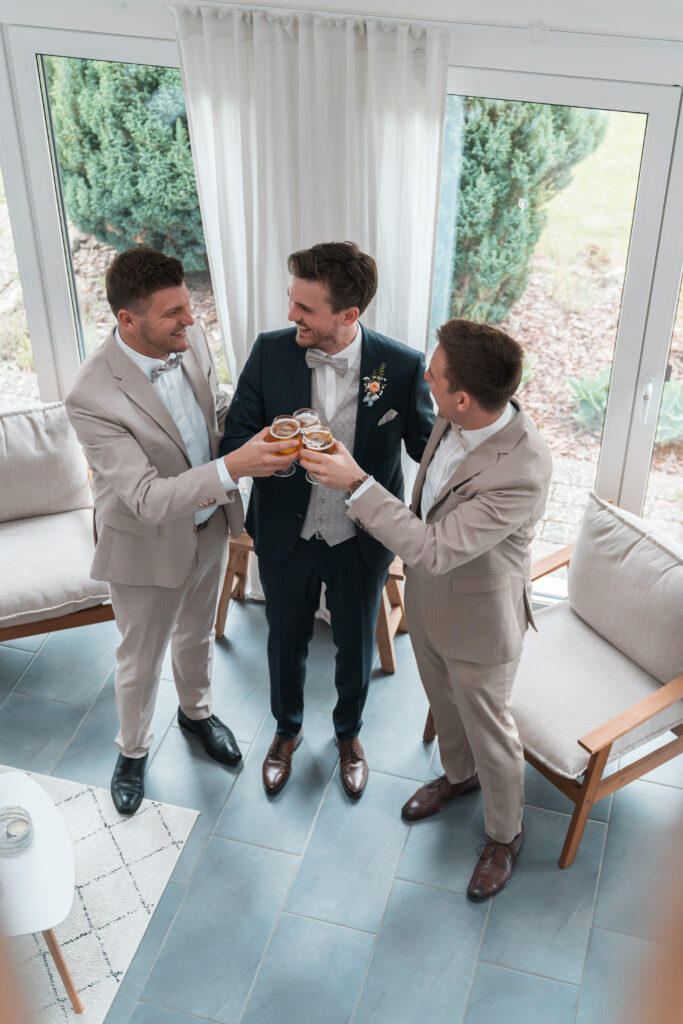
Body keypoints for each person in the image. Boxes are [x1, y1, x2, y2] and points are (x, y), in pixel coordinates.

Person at [300, 318, 552, 899]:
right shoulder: (454, 414)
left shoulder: (523, 472)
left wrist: (357, 484)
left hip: (480, 622)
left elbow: (436, 547)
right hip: (428, 599)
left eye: (434, 377)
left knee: (492, 734)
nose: (425, 381)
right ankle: (458, 778)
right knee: (444, 704)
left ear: (463, 399)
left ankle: (504, 834)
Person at [66, 247, 290, 815]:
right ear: (128, 320)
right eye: (173, 313)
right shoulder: (90, 396)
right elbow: (145, 498)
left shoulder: (188, 341)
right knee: (139, 659)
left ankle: (196, 713)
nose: (190, 319)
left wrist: (263, 430)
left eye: (187, 306)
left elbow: (212, 412)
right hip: (144, 546)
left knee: (196, 635)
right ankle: (133, 750)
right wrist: (235, 467)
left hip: (209, 525)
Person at [221, 241, 434, 798]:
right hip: (286, 530)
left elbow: (429, 453)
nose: (290, 313)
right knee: (283, 640)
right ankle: (285, 731)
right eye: (291, 300)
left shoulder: (401, 366)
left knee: (356, 645)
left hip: (361, 538)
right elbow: (235, 438)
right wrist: (276, 452)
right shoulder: (270, 351)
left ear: (348, 314)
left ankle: (348, 735)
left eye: (305, 307)